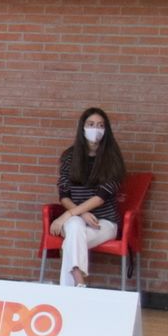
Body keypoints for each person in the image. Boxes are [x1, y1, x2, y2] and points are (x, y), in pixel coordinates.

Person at [50, 108, 126, 287]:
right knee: (75, 227)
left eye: (100, 125)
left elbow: (101, 197)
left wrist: (67, 215)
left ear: (106, 130)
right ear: (82, 127)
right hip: (77, 219)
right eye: (91, 125)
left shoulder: (113, 158)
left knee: (70, 243)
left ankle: (71, 293)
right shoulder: (70, 156)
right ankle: (79, 283)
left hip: (104, 224)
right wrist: (80, 214)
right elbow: (64, 195)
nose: (95, 129)